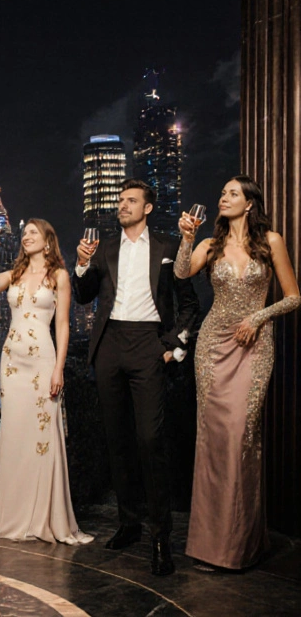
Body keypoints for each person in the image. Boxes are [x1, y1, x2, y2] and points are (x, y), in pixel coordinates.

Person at [72, 178, 199, 575]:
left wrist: (174, 346)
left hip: (148, 343)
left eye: (131, 201)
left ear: (147, 208)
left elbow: (188, 303)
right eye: (121, 200)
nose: (122, 205)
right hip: (110, 342)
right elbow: (84, 294)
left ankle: (161, 536)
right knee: (117, 439)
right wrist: (80, 263)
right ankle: (129, 523)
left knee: (150, 438)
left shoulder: (167, 246)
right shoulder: (105, 246)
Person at [176, 175, 299, 571]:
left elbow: (294, 296)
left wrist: (258, 316)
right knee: (213, 440)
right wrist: (185, 238)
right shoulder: (210, 245)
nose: (223, 197)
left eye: (232, 193)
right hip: (212, 347)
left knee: (240, 436)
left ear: (249, 203)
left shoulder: (272, 241)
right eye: (222, 192)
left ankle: (243, 542)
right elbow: (181, 274)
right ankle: (211, 546)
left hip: (255, 346)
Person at [0, 218, 92, 545]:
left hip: (43, 361)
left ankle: (43, 517)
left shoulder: (59, 276)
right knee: (13, 433)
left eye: (33, 233)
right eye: (24, 233)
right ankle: (11, 516)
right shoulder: (14, 274)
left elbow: (64, 326)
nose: (26, 237)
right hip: (12, 362)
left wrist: (59, 369)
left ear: (47, 240)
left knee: (42, 433)